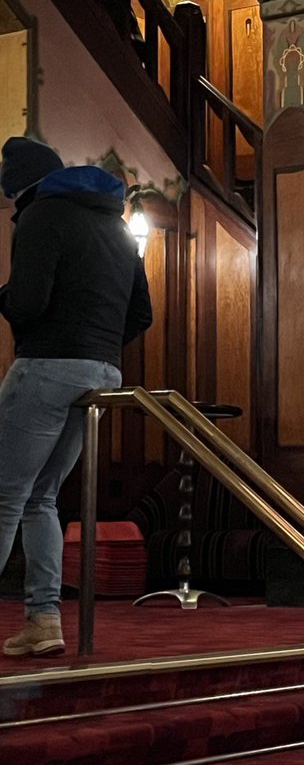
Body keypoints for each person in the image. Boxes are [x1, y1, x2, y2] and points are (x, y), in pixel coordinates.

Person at [0, 137, 153, 657]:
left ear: (23, 189)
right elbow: (141, 314)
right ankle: (44, 620)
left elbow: (26, 303)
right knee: (41, 498)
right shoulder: (116, 224)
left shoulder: (42, 217)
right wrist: (96, 348)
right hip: (100, 375)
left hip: (46, 367)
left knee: (5, 496)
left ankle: (44, 616)